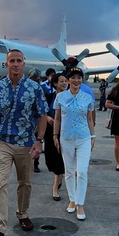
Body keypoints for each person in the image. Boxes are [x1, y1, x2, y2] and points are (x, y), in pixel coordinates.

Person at [0, 49, 48, 236]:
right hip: (2, 141)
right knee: (0, 182)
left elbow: (43, 114)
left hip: (26, 142)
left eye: (19, 60)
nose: (16, 64)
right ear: (6, 64)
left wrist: (39, 140)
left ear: (23, 64)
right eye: (12, 61)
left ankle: (23, 213)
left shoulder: (34, 88)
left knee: (25, 182)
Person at [53, 68, 96, 221]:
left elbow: (90, 118)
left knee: (82, 171)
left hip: (84, 136)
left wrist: (93, 135)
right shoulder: (60, 97)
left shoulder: (87, 97)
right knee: (69, 171)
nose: (76, 80)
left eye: (79, 78)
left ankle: (80, 204)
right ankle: (72, 199)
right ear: (68, 80)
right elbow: (57, 118)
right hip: (66, 137)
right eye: (73, 78)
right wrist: (55, 135)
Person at [44, 73, 68, 201]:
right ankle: (59, 176)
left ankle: (55, 188)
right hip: (49, 131)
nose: (64, 83)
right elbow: (42, 111)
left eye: (66, 81)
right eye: (62, 81)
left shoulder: (70, 97)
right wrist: (47, 117)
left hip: (65, 132)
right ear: (55, 84)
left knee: (59, 158)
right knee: (50, 158)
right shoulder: (48, 97)